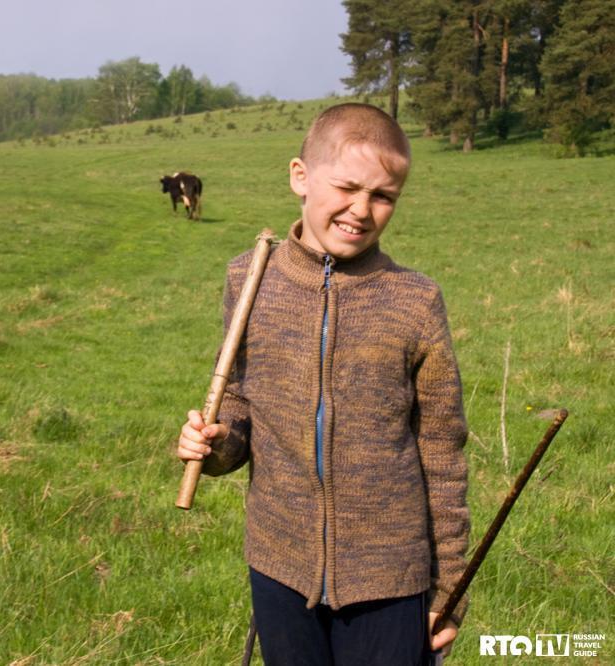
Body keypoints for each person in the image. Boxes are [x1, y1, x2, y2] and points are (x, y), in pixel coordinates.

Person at [177, 103, 469, 666]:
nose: (362, 210)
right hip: (279, 563)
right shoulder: (249, 277)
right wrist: (214, 446)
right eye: (347, 187)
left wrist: (449, 585)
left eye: (383, 196)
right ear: (300, 177)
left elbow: (442, 450)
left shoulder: (415, 301)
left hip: (389, 575)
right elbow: (239, 400)